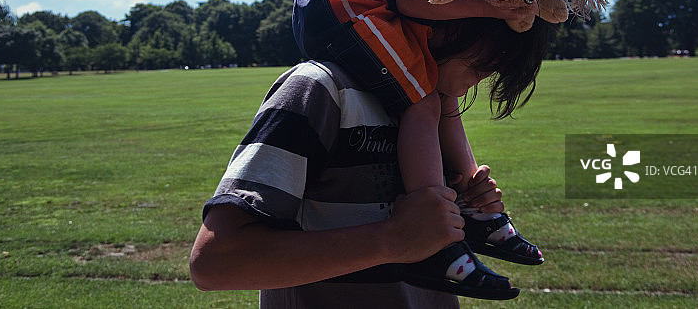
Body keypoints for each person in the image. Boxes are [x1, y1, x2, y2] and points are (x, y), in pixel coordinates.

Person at [291, 0, 620, 291]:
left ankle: (479, 211)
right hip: (337, 1)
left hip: (367, 3)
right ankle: (434, 242)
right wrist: (499, 9)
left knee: (440, 97)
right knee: (424, 102)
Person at [190, 16, 551, 307]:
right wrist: (391, 239)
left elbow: (421, 230)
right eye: (496, 25)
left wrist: (463, 210)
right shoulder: (321, 88)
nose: (501, 58)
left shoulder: (430, 105)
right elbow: (214, 262)